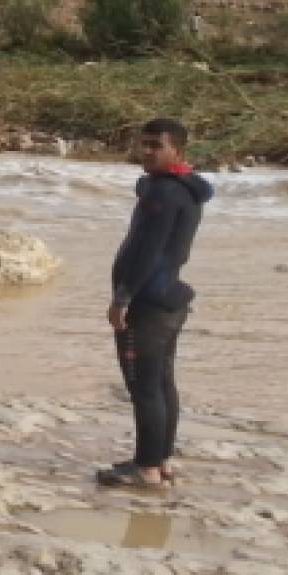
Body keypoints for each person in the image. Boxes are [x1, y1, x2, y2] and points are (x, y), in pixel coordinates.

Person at [96, 118, 213, 491]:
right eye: (143, 144)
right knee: (161, 382)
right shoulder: (182, 188)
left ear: (177, 150)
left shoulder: (165, 194)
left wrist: (123, 298)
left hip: (147, 303)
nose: (146, 152)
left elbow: (149, 252)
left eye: (156, 146)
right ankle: (160, 461)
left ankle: (146, 469)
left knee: (144, 387)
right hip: (168, 299)